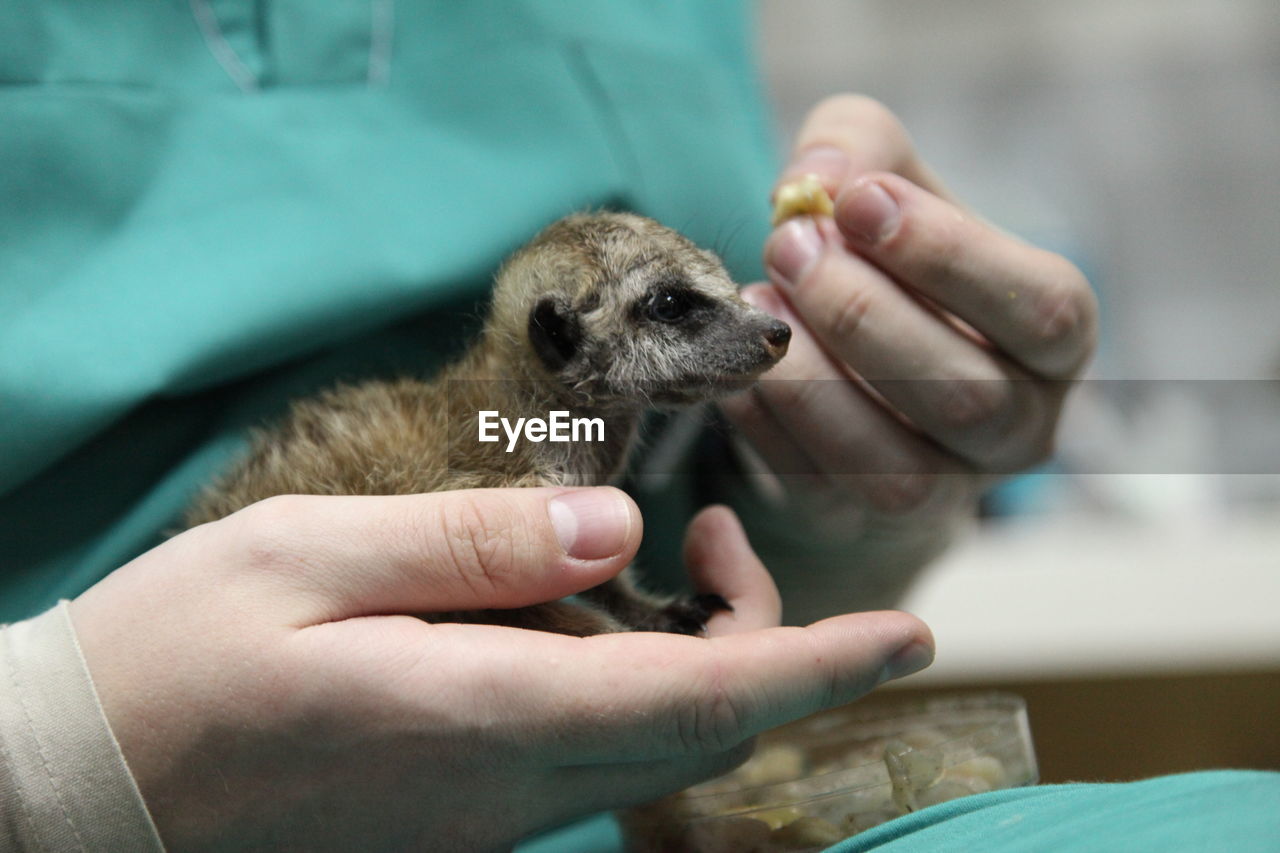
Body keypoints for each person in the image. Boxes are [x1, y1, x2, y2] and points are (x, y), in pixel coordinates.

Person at [3, 3, 1274, 852]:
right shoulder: (491, 442)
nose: (751, 334)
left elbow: (644, 528)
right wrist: (55, 760)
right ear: (561, 345)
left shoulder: (576, 425)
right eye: (682, 313)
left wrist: (844, 479)